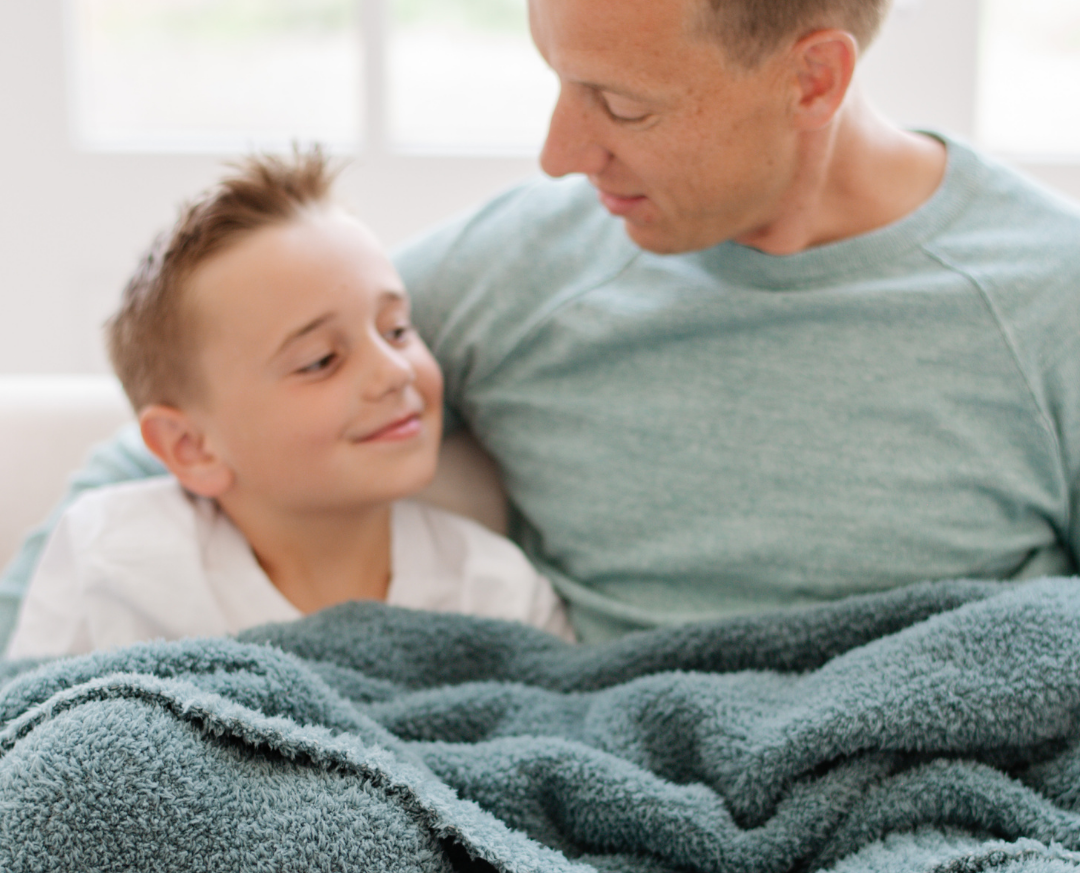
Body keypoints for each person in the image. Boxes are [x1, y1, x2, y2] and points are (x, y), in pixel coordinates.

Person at [3, 0, 1080, 647]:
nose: (561, 152)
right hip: (606, 855)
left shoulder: (1046, 297)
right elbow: (191, 432)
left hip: (943, 854)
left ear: (813, 76)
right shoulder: (531, 260)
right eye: (561, 83)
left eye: (622, 106)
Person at [4, 154, 572, 659]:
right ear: (191, 446)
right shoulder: (110, 562)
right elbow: (36, 739)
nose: (394, 372)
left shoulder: (495, 593)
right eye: (321, 360)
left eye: (397, 330)